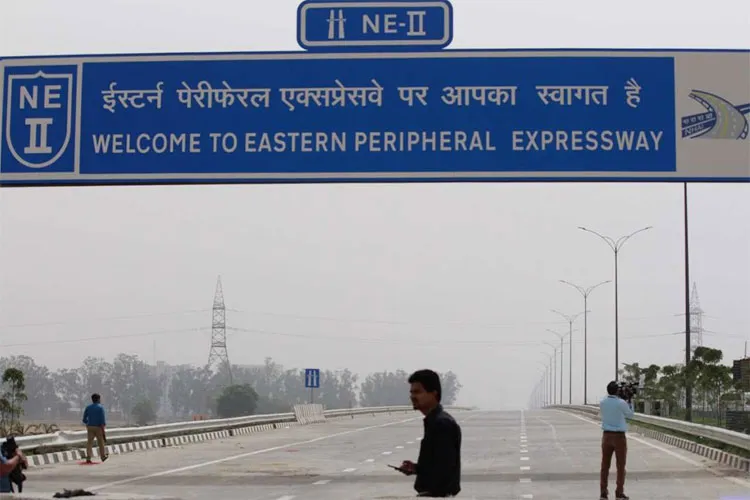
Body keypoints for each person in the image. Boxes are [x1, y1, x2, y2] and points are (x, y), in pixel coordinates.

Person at [398, 369, 461, 497]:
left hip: (438, 495)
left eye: (417, 392)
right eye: (411, 392)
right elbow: (437, 464)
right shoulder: (434, 421)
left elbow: (445, 468)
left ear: (433, 394)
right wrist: (416, 468)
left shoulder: (442, 424)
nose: (412, 397)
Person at [599, 381, 635, 500]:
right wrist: (630, 400)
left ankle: (603, 493)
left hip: (606, 436)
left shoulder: (602, 402)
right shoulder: (621, 403)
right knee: (620, 466)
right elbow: (630, 415)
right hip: (619, 437)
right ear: (617, 391)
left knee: (605, 465)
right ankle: (619, 493)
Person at [82, 393, 109, 463]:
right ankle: (103, 457)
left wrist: (88, 423)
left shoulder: (88, 407)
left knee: (89, 442)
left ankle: (88, 457)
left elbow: (84, 419)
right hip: (98, 427)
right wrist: (103, 429)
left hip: (90, 427)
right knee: (101, 442)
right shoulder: (100, 408)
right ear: (98, 399)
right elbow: (102, 420)